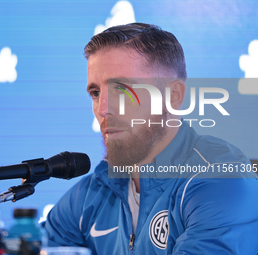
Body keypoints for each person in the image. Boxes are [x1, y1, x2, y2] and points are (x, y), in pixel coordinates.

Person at [44, 23, 258, 254]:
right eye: (95, 93)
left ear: (174, 96)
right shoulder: (93, 191)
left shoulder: (220, 181)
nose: (103, 108)